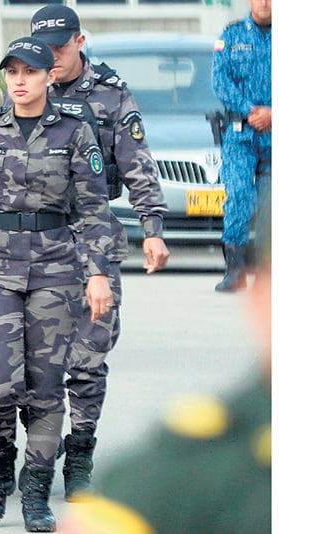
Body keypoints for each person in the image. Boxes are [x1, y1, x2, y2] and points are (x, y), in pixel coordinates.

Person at [0, 37, 115, 532]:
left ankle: (36, 488)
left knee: (44, 388)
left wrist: (98, 271)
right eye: (11, 71)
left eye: (29, 71)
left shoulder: (76, 133)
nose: (19, 80)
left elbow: (94, 210)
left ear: (48, 77)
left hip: (56, 270)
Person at [28, 3, 171, 502]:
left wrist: (152, 227)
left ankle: (81, 458)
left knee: (88, 359)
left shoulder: (110, 94)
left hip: (94, 235)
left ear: (79, 42)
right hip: (34, 241)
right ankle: (35, 462)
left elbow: (137, 163)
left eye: (59, 49)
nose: (51, 59)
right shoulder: (27, 88)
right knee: (35, 364)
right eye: (42, 50)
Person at [59, 207, 272, 534]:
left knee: (87, 370)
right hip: (23, 259)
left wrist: (152, 230)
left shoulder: (178, 472)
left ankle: (76, 460)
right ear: (260, 298)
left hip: (90, 252)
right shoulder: (175, 481)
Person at [211, 0, 271, 292]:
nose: (265, 3)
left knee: (271, 207)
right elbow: (220, 81)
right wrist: (250, 110)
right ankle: (234, 270)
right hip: (241, 134)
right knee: (238, 197)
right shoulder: (232, 36)